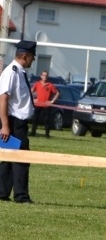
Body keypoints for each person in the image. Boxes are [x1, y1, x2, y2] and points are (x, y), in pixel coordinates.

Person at [0, 40, 37, 203]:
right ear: (25, 56)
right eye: (32, 57)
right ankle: (21, 196)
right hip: (13, 123)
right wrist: (5, 126)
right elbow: (3, 99)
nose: (33, 60)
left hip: (18, 123)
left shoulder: (19, 72)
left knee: (8, 159)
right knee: (21, 159)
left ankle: (2, 192)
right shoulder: (11, 72)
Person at [30, 71, 60, 138]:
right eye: (43, 75)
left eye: (46, 75)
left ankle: (47, 135)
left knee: (47, 120)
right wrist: (33, 99)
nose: (45, 76)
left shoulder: (50, 85)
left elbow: (57, 93)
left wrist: (52, 101)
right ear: (41, 76)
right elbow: (30, 91)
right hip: (38, 104)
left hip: (46, 106)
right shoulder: (37, 84)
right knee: (35, 119)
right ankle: (33, 133)